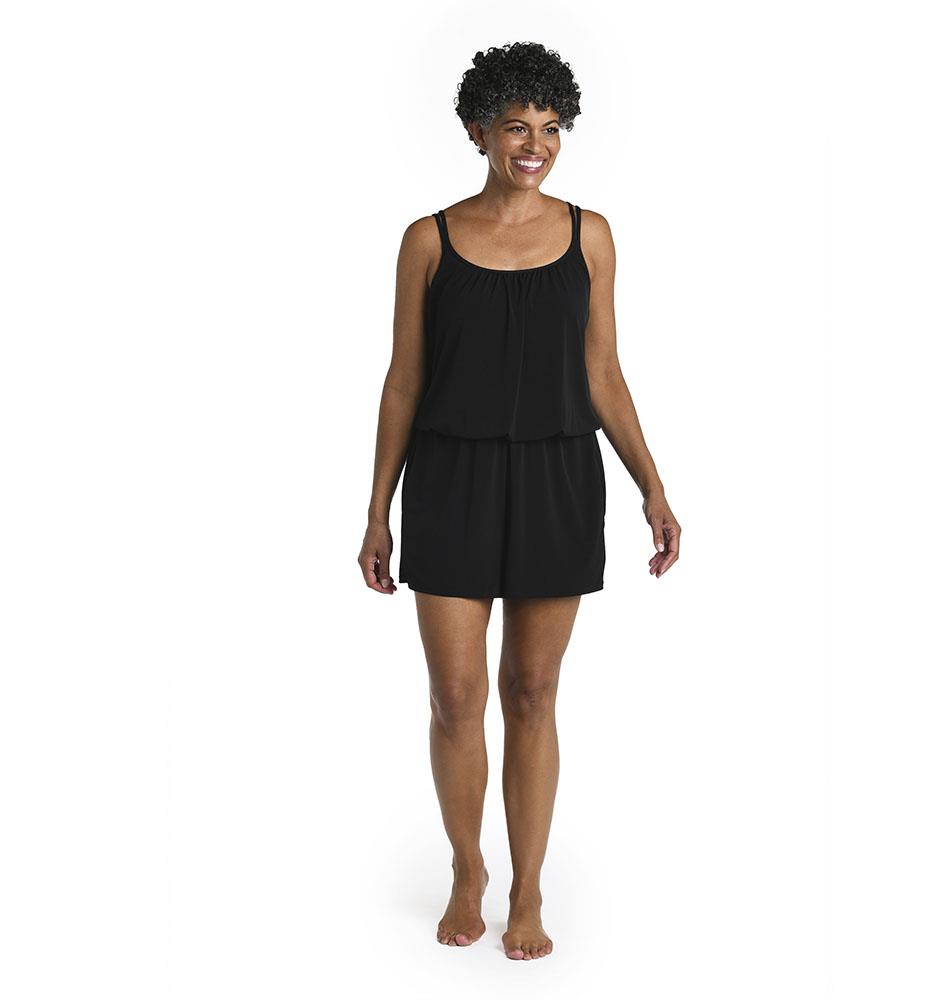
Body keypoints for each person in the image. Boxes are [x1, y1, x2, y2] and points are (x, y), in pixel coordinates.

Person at [359, 41, 681, 960]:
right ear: (478, 132)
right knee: (455, 697)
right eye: (515, 127)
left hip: (557, 477)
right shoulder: (428, 240)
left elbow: (604, 374)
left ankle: (529, 889)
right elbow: (404, 380)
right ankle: (469, 869)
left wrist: (653, 486)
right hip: (450, 478)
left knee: (532, 692)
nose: (534, 145)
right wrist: (378, 509)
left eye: (549, 127)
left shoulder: (591, 235)